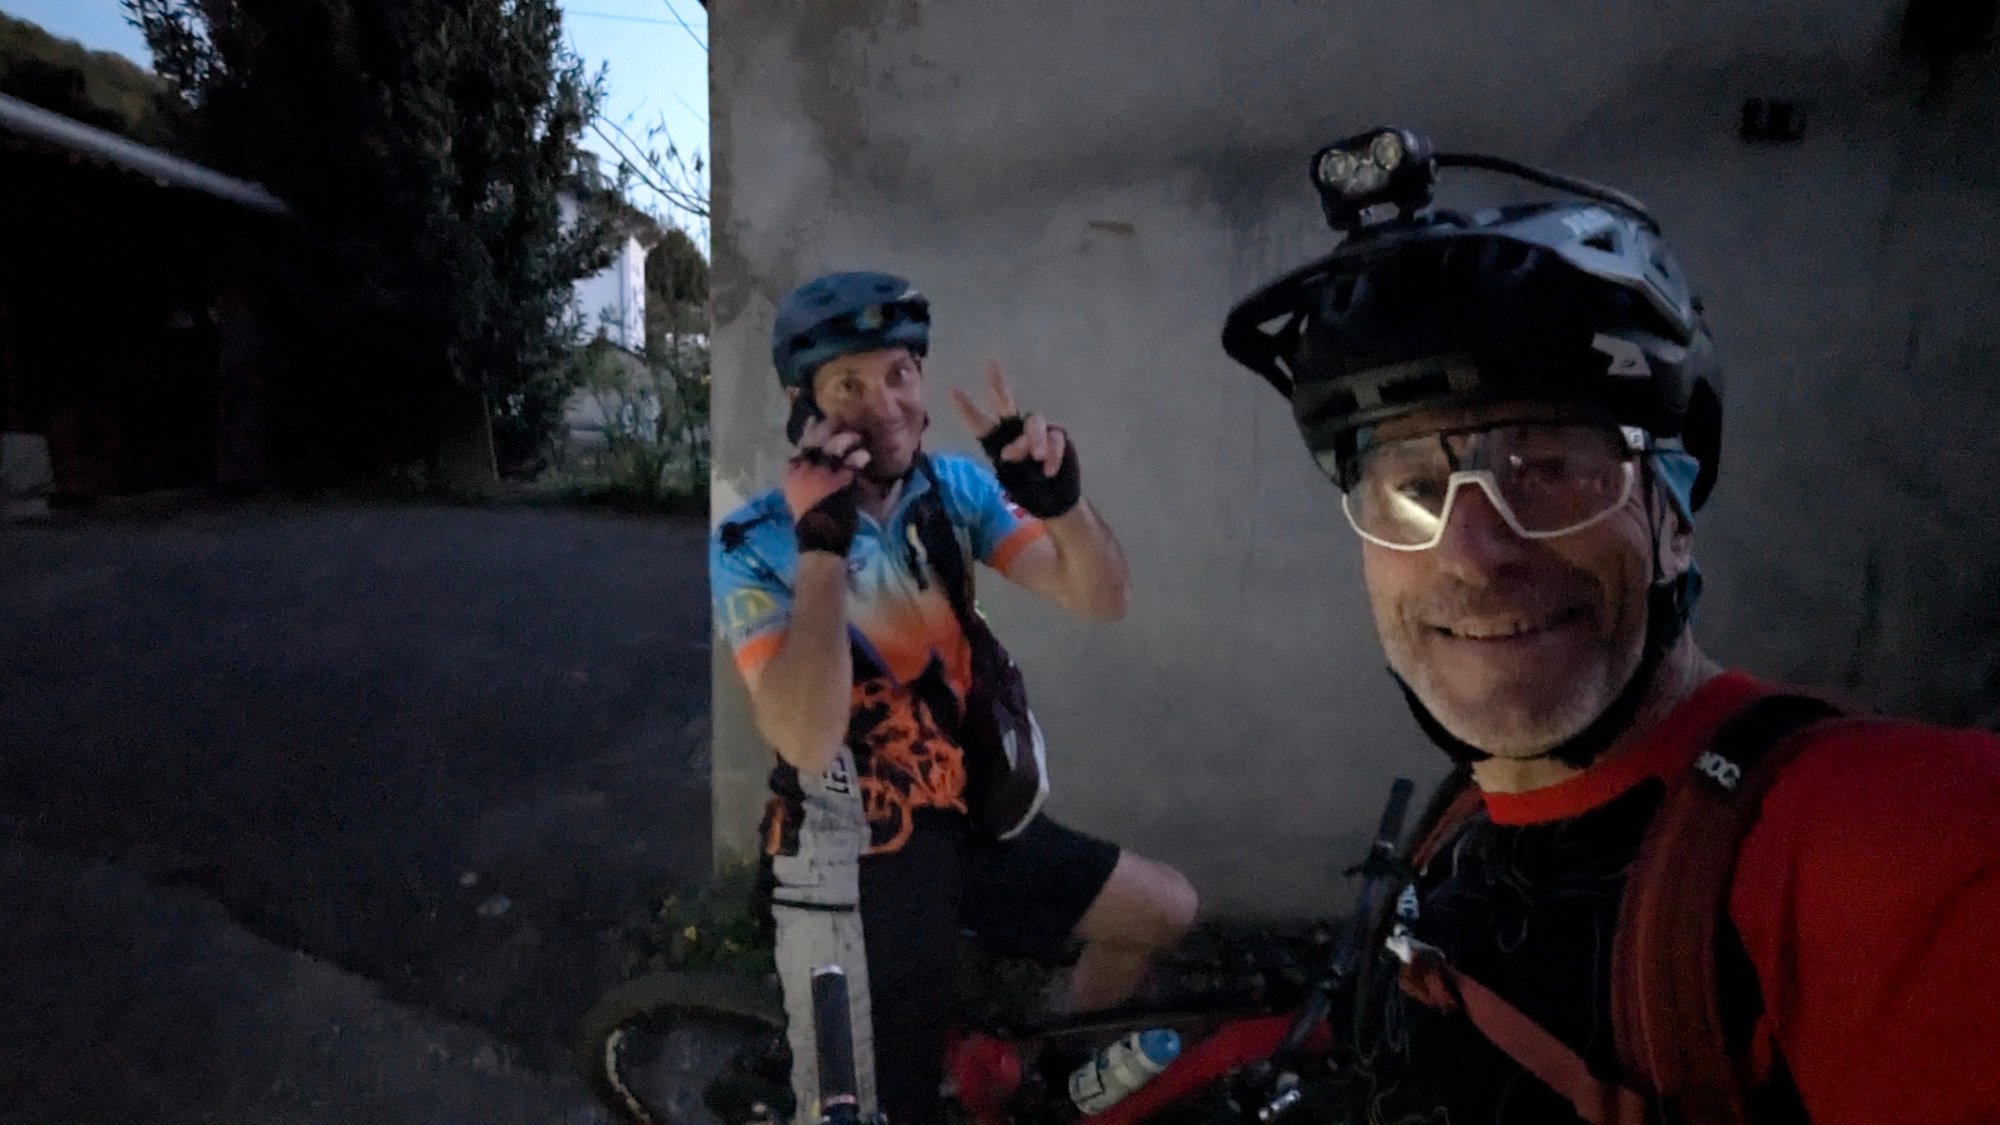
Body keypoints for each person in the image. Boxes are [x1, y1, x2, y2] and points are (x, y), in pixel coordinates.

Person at [1220, 132, 2000, 1122]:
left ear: (1671, 517)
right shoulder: (1465, 817)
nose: (1471, 554)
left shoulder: (1889, 841)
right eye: (1411, 488)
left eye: (1549, 469)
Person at [711, 270, 1198, 1124]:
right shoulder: (751, 541)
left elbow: (1101, 598)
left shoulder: (954, 491)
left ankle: (1051, 1080)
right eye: (849, 384)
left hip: (972, 809)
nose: (886, 404)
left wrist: (1064, 506)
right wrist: (821, 548)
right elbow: (807, 736)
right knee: (888, 1100)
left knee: (1163, 909)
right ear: (802, 405)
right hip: (858, 852)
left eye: (900, 373)